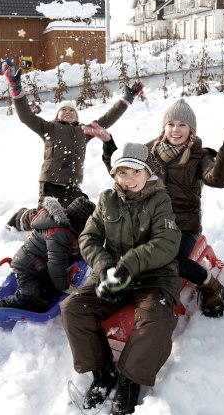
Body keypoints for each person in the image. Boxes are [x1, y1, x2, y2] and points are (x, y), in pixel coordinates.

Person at [87, 98, 224, 317]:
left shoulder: (199, 156)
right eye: (171, 124)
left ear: (191, 129)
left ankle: (210, 285)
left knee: (171, 261)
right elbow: (124, 170)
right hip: (150, 220)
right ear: (164, 126)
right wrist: (109, 143)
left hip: (183, 225)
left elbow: (218, 179)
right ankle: (124, 289)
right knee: (126, 251)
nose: (176, 130)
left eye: (182, 125)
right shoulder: (149, 151)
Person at [60, 142, 181, 415]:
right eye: (121, 173)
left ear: (147, 172)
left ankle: (129, 381)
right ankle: (103, 373)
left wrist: (128, 266)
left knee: (155, 319)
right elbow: (88, 238)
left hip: (154, 276)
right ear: (114, 175)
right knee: (73, 308)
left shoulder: (160, 200)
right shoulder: (107, 200)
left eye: (135, 172)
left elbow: (167, 242)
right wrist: (105, 269)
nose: (128, 179)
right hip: (113, 274)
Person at [2, 59, 143, 231]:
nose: (68, 112)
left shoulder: (83, 131)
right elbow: (26, 116)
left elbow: (107, 119)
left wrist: (127, 98)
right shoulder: (49, 128)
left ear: (77, 117)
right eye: (64, 110)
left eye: (72, 111)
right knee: (46, 219)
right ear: (57, 115)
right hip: (51, 183)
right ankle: (22, 217)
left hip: (73, 186)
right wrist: (16, 91)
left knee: (85, 213)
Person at [0, 196, 95, 311]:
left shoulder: (69, 230)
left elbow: (71, 252)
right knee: (27, 296)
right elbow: (56, 265)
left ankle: (41, 297)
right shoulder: (59, 234)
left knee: (50, 287)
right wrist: (65, 287)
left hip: (42, 265)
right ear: (82, 223)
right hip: (28, 267)